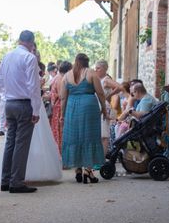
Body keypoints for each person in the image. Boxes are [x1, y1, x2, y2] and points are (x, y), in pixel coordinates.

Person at [0, 30, 42, 193]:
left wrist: (7, 97)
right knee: (21, 144)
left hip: (9, 102)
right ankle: (16, 181)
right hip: (23, 103)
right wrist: (36, 109)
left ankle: (5, 179)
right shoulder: (29, 58)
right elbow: (33, 86)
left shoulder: (7, 56)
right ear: (31, 42)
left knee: (10, 142)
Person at [61, 53, 107, 184]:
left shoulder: (67, 75)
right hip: (89, 106)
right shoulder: (91, 73)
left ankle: (78, 170)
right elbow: (100, 93)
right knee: (89, 136)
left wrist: (62, 114)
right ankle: (88, 170)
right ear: (87, 62)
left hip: (72, 107)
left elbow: (63, 97)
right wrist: (103, 107)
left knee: (74, 136)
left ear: (76, 62)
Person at [94, 60, 122, 153]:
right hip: (98, 106)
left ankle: (102, 160)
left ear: (104, 69)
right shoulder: (99, 80)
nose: (96, 70)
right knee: (98, 134)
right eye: (96, 68)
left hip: (104, 106)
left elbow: (119, 87)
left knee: (104, 135)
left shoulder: (106, 80)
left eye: (98, 68)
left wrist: (109, 95)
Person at [50, 61, 72, 153]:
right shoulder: (61, 79)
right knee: (61, 133)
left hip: (57, 108)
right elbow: (62, 95)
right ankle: (62, 158)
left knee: (59, 133)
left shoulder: (57, 77)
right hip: (60, 108)